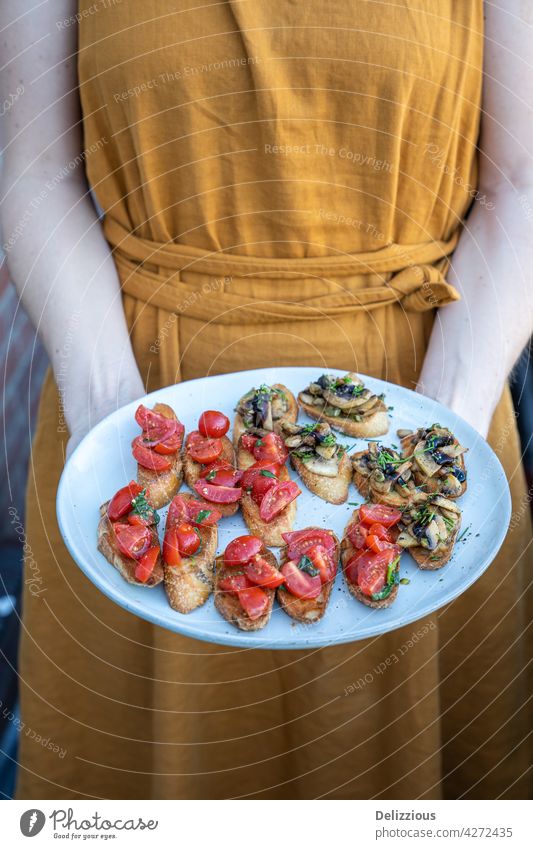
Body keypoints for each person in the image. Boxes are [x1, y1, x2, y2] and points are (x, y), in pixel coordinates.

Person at [1, 0, 531, 800]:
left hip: (439, 372)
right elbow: (33, 171)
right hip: (122, 384)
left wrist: (432, 435)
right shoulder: (118, 435)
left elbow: (521, 185)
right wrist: (113, 420)